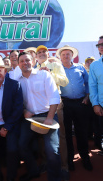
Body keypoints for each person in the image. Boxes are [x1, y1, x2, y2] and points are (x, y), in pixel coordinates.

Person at [18, 51, 61, 181]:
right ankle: (34, 171)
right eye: (22, 61)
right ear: (19, 65)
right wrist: (24, 111)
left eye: (27, 60)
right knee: (22, 145)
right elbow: (16, 101)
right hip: (30, 118)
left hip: (48, 115)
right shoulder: (17, 80)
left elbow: (54, 97)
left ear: (33, 61)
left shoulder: (44, 75)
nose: (25, 63)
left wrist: (49, 117)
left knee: (52, 150)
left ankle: (55, 178)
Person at [56, 45, 92, 171]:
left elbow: (88, 83)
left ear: (72, 56)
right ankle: (69, 159)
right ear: (60, 57)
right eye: (63, 54)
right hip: (65, 104)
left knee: (81, 131)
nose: (66, 56)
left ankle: (85, 157)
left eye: (68, 54)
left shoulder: (80, 67)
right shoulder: (57, 69)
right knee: (66, 134)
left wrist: (87, 96)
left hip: (81, 103)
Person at [36, 45, 69, 179]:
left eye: (44, 51)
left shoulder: (55, 64)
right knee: (42, 136)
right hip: (40, 106)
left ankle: (64, 167)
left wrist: (51, 74)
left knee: (60, 136)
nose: (42, 53)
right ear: (36, 56)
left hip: (55, 104)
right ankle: (46, 162)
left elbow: (65, 82)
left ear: (48, 53)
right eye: (39, 52)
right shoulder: (34, 68)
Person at [89, 35, 103, 151]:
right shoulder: (94, 65)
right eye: (99, 45)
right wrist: (95, 104)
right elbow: (92, 86)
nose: (101, 47)